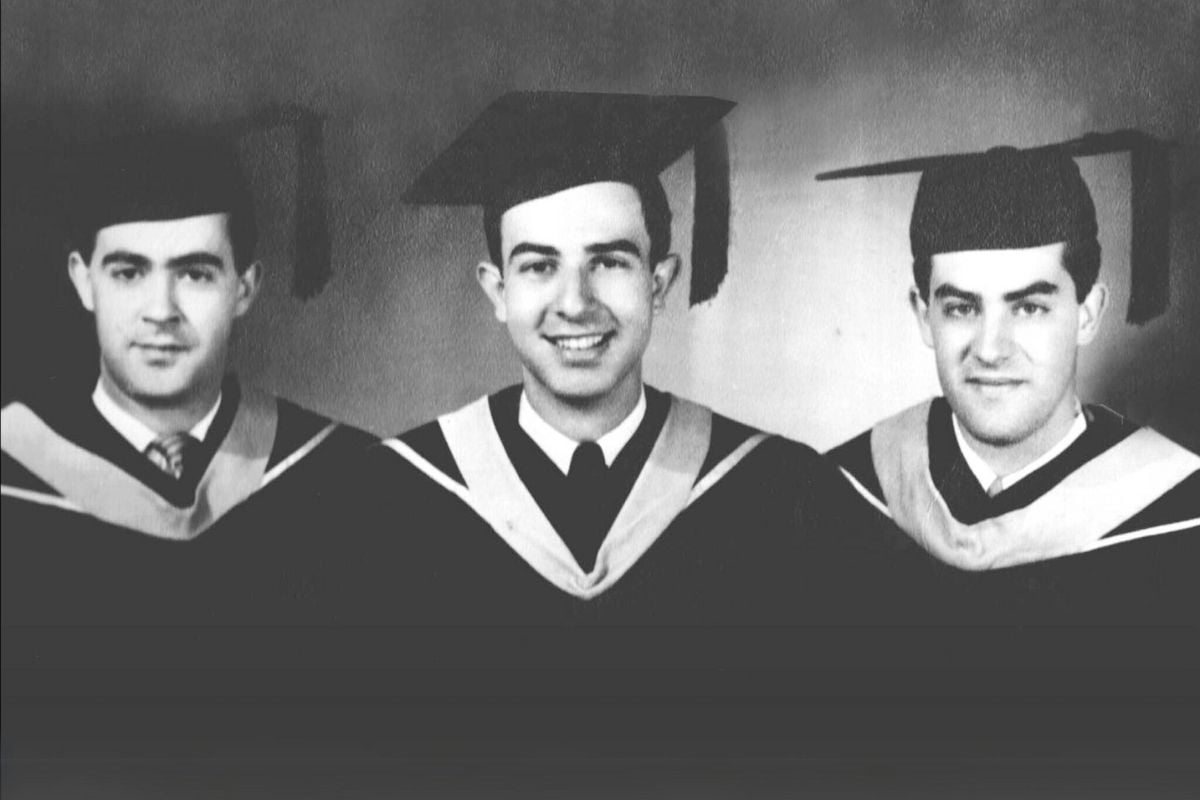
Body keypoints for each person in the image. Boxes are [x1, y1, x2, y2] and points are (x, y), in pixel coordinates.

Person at [353, 91, 894, 625]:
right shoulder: (391, 499)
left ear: (659, 284)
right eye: (539, 266)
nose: (575, 303)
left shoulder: (779, 492)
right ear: (498, 291)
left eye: (609, 262)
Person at [1, 131, 374, 625]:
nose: (161, 311)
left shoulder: (342, 475)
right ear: (83, 281)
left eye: (196, 274)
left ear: (244, 289)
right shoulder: (12, 474)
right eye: (128, 273)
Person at [823, 140, 1198, 623]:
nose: (990, 349)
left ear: (1087, 314)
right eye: (961, 308)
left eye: (1029, 308)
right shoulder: (841, 496)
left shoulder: (1181, 515)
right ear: (923, 316)